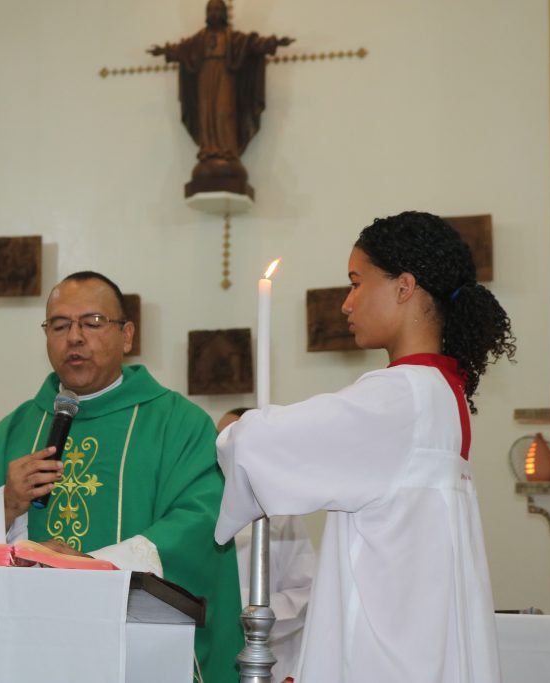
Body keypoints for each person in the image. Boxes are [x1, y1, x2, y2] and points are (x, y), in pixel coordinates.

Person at [216, 211, 516, 682]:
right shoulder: (440, 390)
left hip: (383, 654)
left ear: (404, 286)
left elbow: (254, 443)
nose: (346, 303)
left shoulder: (398, 396)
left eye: (357, 283)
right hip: (422, 642)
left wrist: (228, 436)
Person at [0, 271, 243, 683]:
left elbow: (201, 520)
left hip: (136, 653)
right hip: (29, 650)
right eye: (59, 325)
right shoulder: (15, 430)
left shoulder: (178, 424)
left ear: (126, 336)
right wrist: (3, 506)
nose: (74, 337)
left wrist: (97, 567)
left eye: (92, 322)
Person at [148, 0, 293, 197]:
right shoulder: (199, 40)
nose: (213, 13)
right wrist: (164, 51)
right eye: (210, 10)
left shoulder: (232, 39)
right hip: (205, 78)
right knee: (206, 115)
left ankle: (227, 152)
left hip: (225, 78)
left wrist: (273, 43)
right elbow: (182, 50)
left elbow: (252, 44)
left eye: (217, 9)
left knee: (224, 112)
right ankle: (209, 151)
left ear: (224, 13)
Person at [216, 408, 315, 683]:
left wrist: (236, 610)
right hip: (211, 648)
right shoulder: (203, 505)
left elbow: (303, 594)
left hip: (270, 657)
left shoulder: (281, 512)